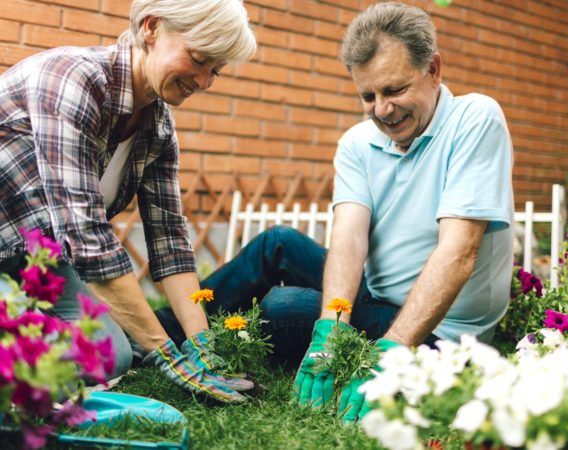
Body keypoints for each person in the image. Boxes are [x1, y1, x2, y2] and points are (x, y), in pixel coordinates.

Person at [155, 0, 513, 420]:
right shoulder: (358, 143)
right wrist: (330, 330)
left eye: (394, 90)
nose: (382, 109)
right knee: (278, 242)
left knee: (282, 307)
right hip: (376, 296)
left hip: (442, 332)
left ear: (433, 69)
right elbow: (348, 238)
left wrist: (392, 351)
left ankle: (178, 336)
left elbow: (459, 252)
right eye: (368, 95)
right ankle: (161, 335)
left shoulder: (475, 119)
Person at [0, 0, 257, 403]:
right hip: (12, 248)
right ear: (152, 28)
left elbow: (170, 243)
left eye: (216, 71)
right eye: (199, 59)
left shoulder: (157, 128)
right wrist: (168, 355)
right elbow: (85, 235)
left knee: (110, 353)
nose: (205, 82)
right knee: (118, 351)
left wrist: (204, 349)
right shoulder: (72, 78)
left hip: (36, 260)